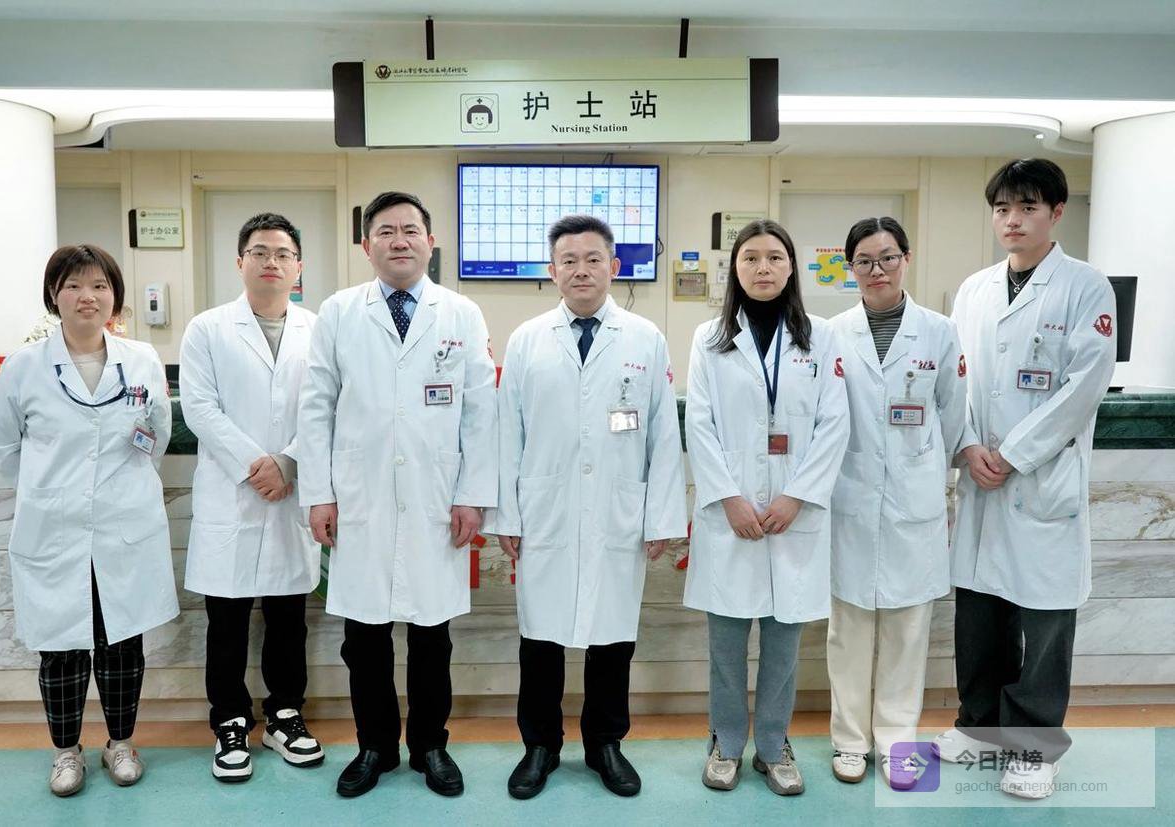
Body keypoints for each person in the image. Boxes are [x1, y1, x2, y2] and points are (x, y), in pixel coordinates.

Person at [298, 191, 498, 799]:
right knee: (364, 638)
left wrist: (472, 495)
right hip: (360, 496)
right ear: (367, 246)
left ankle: (431, 746)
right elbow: (316, 406)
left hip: (437, 496)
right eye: (385, 231)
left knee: (433, 636)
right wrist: (319, 493)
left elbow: (480, 414)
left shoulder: (461, 313)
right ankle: (375, 747)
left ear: (430, 242)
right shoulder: (339, 312)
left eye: (411, 229)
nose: (399, 240)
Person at [486, 215, 686, 800]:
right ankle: (540, 746)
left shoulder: (645, 338)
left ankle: (605, 744)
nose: (581, 270)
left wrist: (661, 517)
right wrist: (507, 515)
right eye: (568, 261)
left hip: (617, 510)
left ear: (613, 267)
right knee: (540, 637)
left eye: (593, 259)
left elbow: (663, 437)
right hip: (545, 509)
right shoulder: (527, 340)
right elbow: (508, 434)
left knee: (613, 635)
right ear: (552, 271)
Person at [935, 159, 1116, 800]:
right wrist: (966, 446)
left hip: (1040, 478)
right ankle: (980, 725)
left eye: (1028, 208)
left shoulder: (1086, 287)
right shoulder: (974, 289)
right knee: (979, 615)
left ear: (1056, 212)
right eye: (1002, 209)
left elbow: (1084, 387)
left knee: (1043, 621)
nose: (1012, 220)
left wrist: (1012, 454)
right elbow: (955, 380)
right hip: (981, 475)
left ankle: (1035, 746)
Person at [0, 245, 178, 796]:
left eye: (99, 285)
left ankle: (121, 743)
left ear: (115, 295)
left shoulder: (141, 359)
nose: (86, 296)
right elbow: (2, 445)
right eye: (72, 285)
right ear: (54, 296)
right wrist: (51, 492)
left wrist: (114, 490)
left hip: (124, 524)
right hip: (54, 527)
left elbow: (157, 433)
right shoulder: (23, 367)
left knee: (122, 644)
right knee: (62, 648)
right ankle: (66, 752)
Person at [683, 219, 849, 796]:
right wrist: (729, 498)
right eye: (750, 257)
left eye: (775, 257)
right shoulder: (709, 338)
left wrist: (797, 495)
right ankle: (726, 742)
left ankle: (774, 745)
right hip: (730, 515)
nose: (763, 267)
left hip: (792, 513)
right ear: (735, 268)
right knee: (726, 644)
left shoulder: (821, 336)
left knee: (783, 643)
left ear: (791, 266)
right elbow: (699, 422)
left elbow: (834, 423)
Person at [179, 213, 323, 782]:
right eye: (259, 252)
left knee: (289, 617)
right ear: (239, 262)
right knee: (227, 619)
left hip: (293, 488)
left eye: (283, 254)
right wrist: (255, 464)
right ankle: (230, 722)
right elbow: (199, 407)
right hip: (233, 491)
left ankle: (285, 715)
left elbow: (328, 407)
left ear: (298, 267)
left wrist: (289, 461)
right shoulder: (207, 329)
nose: (271, 262)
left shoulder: (319, 329)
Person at [825, 217, 967, 788]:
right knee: (849, 629)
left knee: (908, 630)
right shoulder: (831, 333)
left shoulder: (939, 332)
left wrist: (928, 469)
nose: (876, 270)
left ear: (906, 258)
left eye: (887, 257)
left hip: (914, 498)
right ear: (850, 268)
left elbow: (953, 413)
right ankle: (849, 741)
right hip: (850, 497)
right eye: (863, 261)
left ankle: (897, 742)